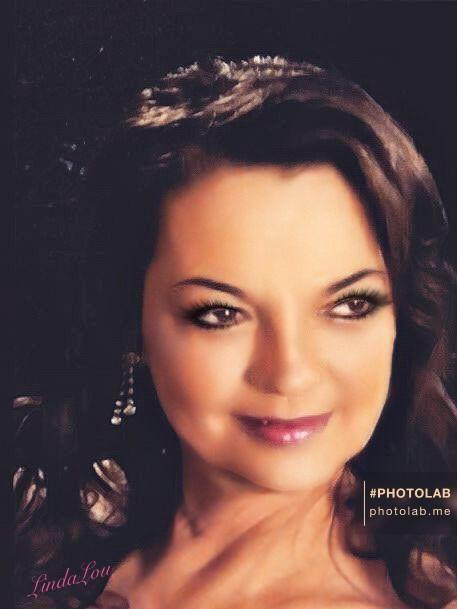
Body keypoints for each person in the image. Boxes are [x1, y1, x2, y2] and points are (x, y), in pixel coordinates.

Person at [14, 56, 457, 609]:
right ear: (133, 324)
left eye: (349, 305)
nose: (290, 373)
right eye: (221, 314)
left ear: (399, 322)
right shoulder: (45, 526)